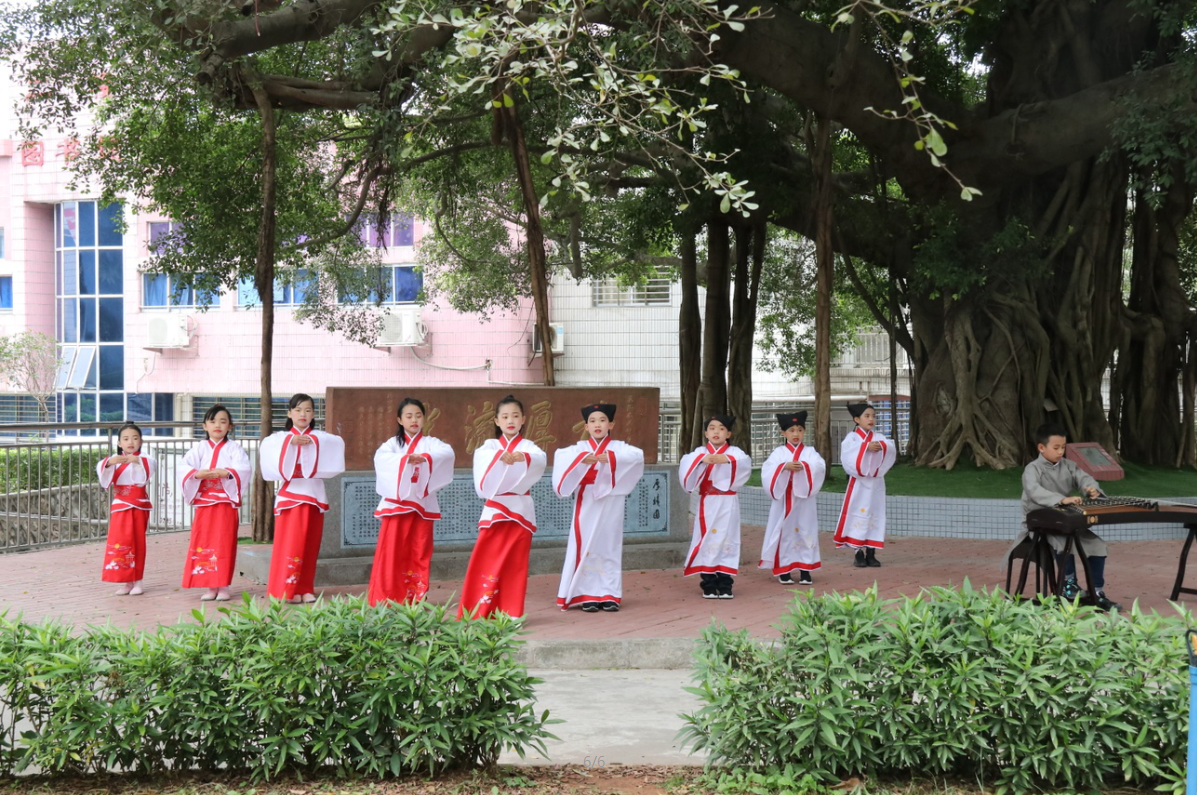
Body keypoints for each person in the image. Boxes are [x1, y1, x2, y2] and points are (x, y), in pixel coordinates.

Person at [458, 395, 547, 619]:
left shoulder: (529, 447)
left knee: (515, 564)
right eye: (505, 416)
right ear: (496, 421)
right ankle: (478, 611)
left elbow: (539, 459)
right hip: (495, 509)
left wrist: (523, 457)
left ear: (523, 419)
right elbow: (483, 458)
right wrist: (501, 456)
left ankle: (511, 613)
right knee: (484, 559)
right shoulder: (490, 447)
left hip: (521, 511)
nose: (510, 420)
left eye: (515, 416)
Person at [552, 402, 645, 612]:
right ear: (585, 427)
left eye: (602, 420)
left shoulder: (619, 447)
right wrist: (582, 459)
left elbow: (637, 455)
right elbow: (561, 456)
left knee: (609, 545)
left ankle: (610, 593)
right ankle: (587, 594)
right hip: (587, 500)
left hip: (612, 501)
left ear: (611, 424)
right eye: (592, 421)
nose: (597, 425)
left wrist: (610, 458)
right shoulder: (579, 448)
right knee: (585, 546)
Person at [1020, 422, 1120, 610]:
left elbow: (1085, 478)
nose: (1060, 452)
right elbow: (1034, 492)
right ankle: (1068, 584)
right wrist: (1061, 500)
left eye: (1063, 447)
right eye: (1056, 447)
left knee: (1097, 545)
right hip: (1041, 524)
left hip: (1066, 521)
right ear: (1041, 448)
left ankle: (1096, 591)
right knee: (1062, 542)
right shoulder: (1032, 469)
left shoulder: (1069, 465)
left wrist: (1092, 489)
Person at [259, 393, 346, 604]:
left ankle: (305, 587)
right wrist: (291, 441)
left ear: (314, 414)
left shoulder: (319, 437)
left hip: (314, 495)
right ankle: (286, 588)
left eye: (308, 410)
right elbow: (268, 446)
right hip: (291, 496)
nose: (303, 414)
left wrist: (311, 440)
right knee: (290, 544)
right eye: (298, 410)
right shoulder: (279, 439)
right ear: (289, 413)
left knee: (310, 544)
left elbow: (337, 442)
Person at [369, 397, 454, 606]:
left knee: (419, 550)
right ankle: (386, 597)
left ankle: (415, 597)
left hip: (422, 505)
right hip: (396, 506)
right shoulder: (392, 445)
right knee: (391, 553)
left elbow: (447, 453)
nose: (414, 420)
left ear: (424, 418)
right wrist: (405, 459)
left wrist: (425, 457)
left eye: (418, 415)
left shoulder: (431, 443)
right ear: (400, 419)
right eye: (408, 416)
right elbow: (381, 459)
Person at [180, 404, 251, 602]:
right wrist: (197, 473)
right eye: (212, 421)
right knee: (204, 542)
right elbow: (183, 466)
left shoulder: (234, 448)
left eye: (223, 421)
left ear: (230, 426)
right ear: (204, 426)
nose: (217, 425)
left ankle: (224, 585)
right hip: (205, 502)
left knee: (224, 542)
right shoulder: (199, 448)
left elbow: (244, 468)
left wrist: (227, 472)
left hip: (225, 502)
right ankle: (210, 586)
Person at [679, 413, 752, 599]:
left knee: (728, 538)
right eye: (712, 428)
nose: (716, 432)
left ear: (728, 434)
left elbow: (744, 463)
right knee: (707, 539)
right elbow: (686, 462)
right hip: (708, 502)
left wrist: (727, 460)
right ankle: (709, 583)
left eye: (721, 429)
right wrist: (700, 461)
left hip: (728, 502)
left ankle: (726, 583)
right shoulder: (699, 453)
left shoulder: (735, 453)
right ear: (705, 433)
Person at [759, 410, 826, 585]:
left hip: (804, 501)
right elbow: (768, 469)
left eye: (799, 430)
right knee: (784, 531)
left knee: (806, 530)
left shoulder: (810, 452)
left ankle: (806, 569)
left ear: (804, 431)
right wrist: (783, 466)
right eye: (791, 430)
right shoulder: (779, 453)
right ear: (783, 433)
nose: (796, 434)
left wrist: (804, 465)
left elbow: (819, 466)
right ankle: (784, 569)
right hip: (784, 499)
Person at [833, 402, 897, 567]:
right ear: (856, 419)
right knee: (857, 512)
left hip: (876, 483)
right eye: (866, 416)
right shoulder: (852, 439)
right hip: (859, 484)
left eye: (873, 416)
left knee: (875, 513)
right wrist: (865, 447)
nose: (871, 419)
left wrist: (881, 446)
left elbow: (890, 448)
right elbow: (848, 455)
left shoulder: (878, 437)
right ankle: (858, 551)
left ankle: (871, 551)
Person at [96, 422, 156, 595]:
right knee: (120, 542)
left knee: (136, 542)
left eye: (135, 438)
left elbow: (149, 466)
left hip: (138, 504)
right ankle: (125, 581)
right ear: (119, 443)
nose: (131, 442)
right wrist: (109, 462)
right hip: (120, 506)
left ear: (141, 442)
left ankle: (138, 581)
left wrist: (136, 460)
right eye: (126, 439)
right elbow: (103, 473)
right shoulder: (115, 460)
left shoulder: (145, 459)